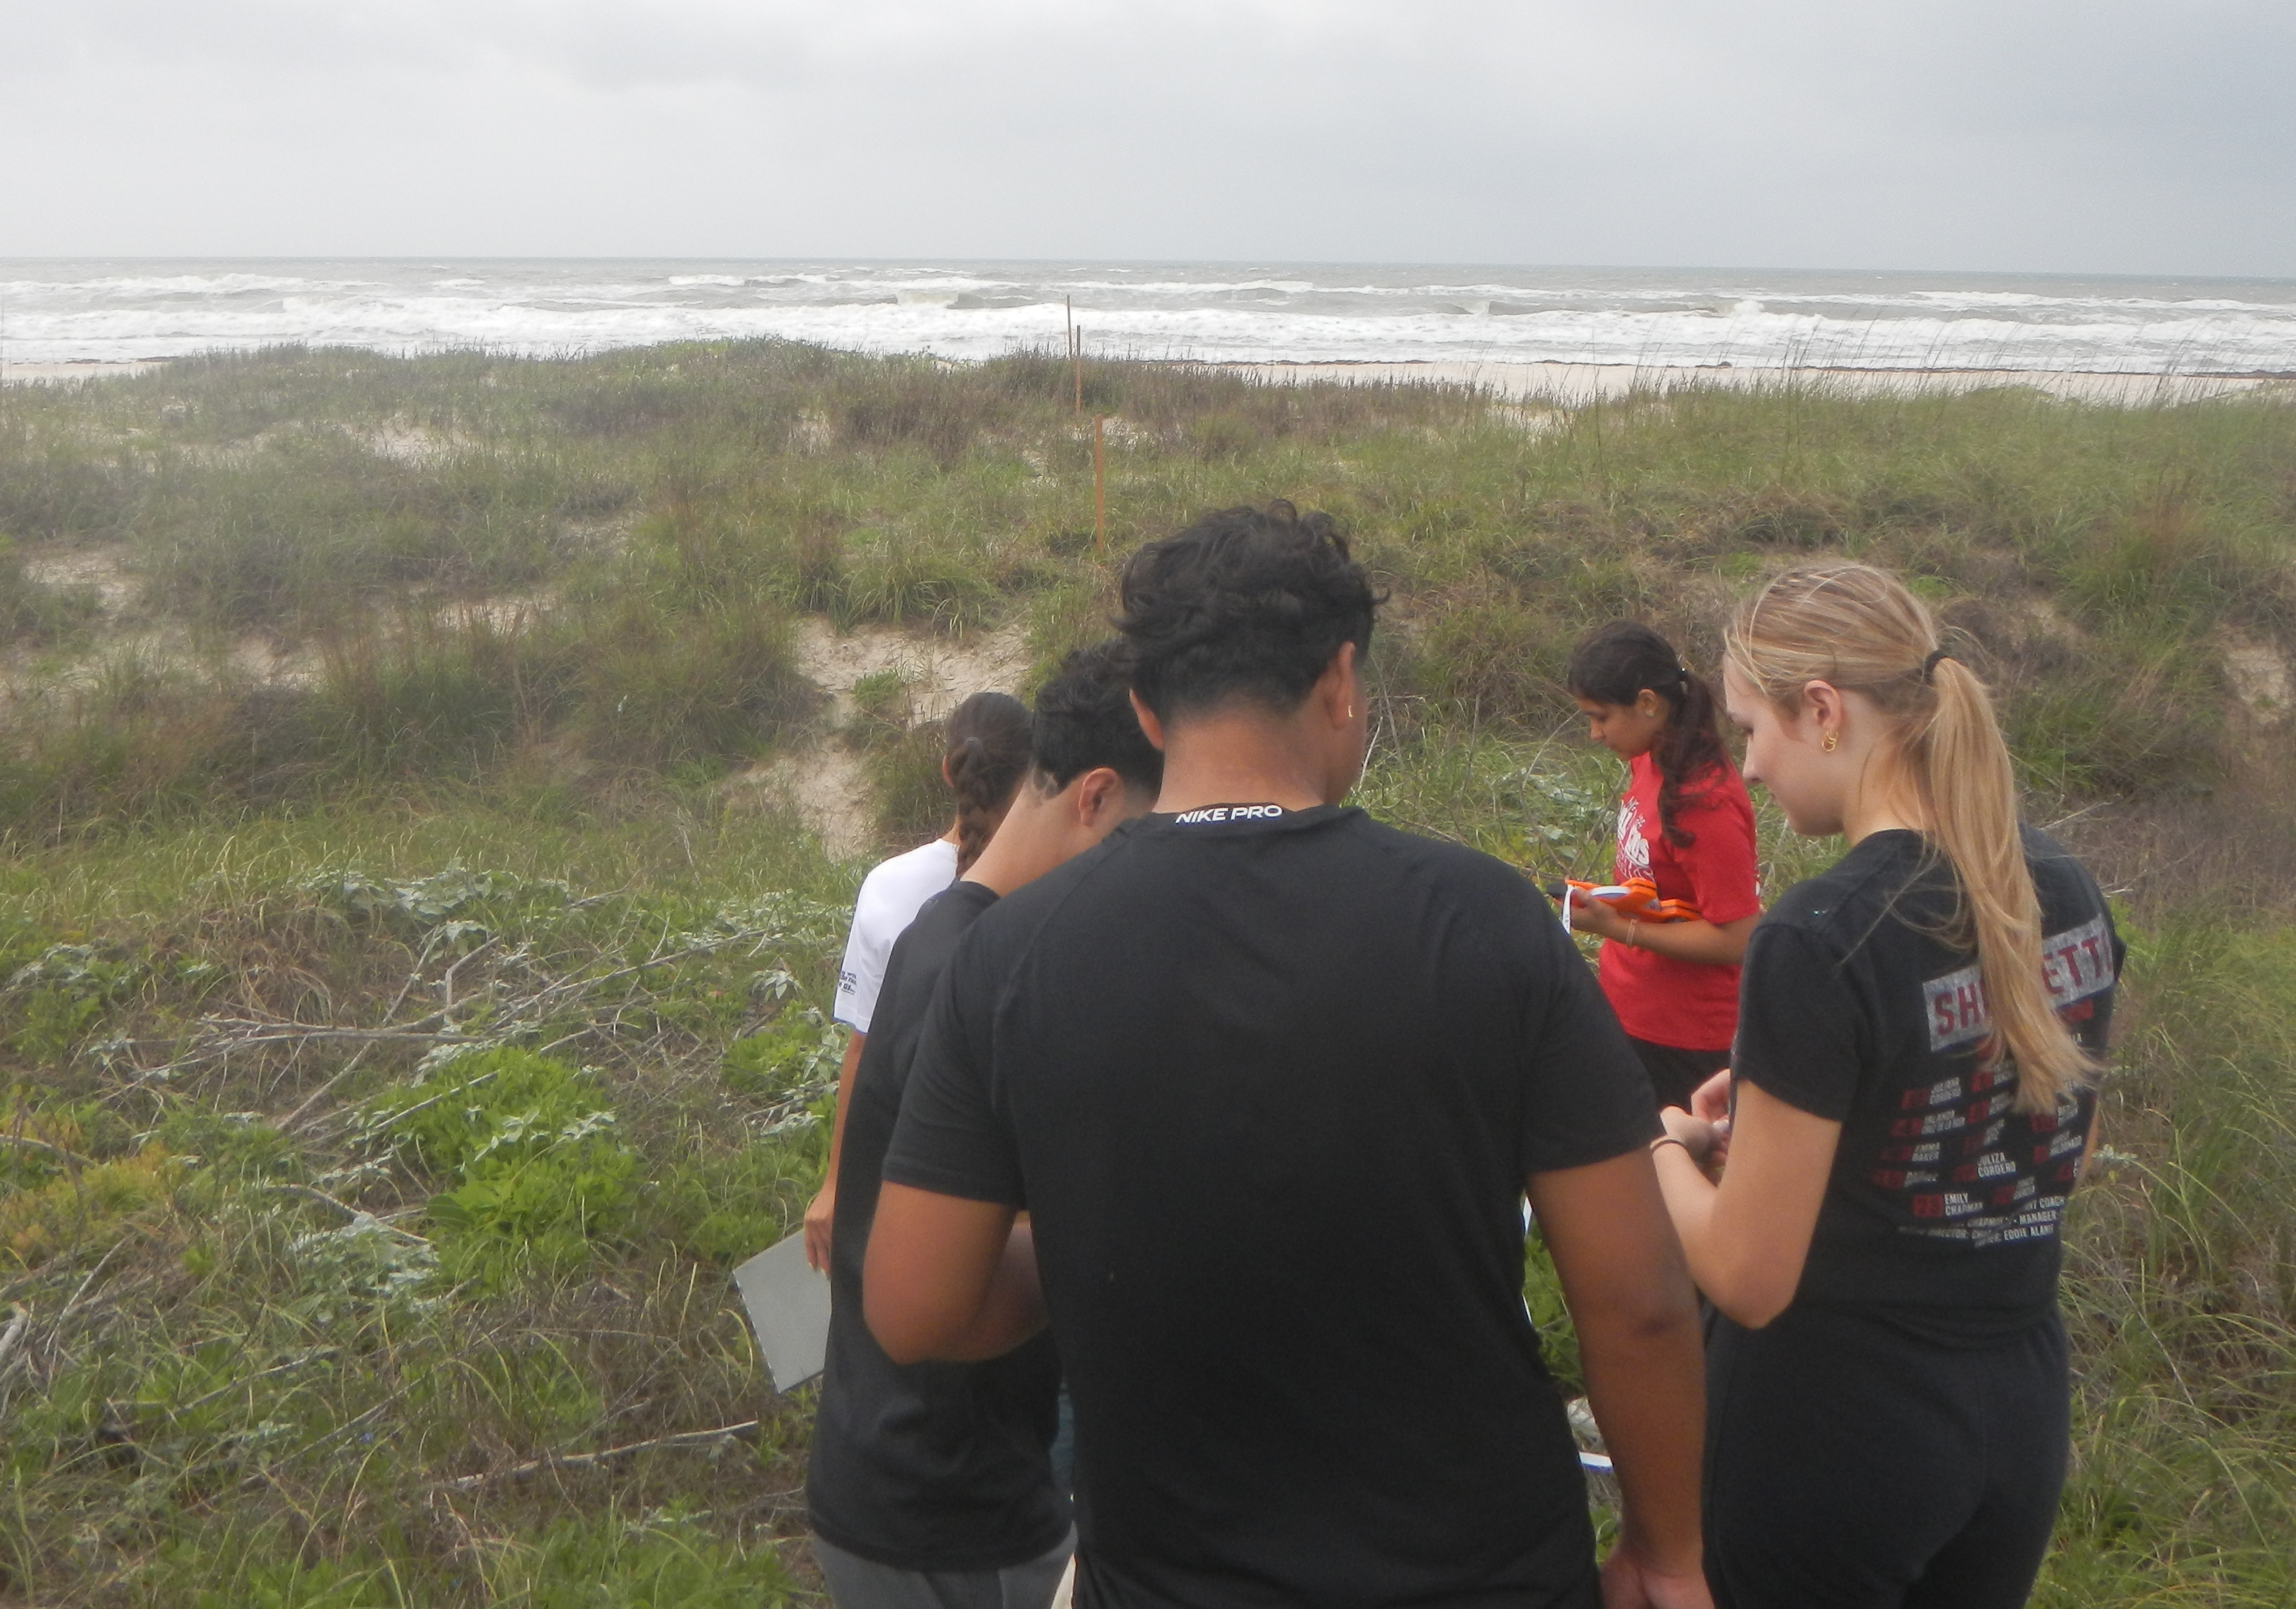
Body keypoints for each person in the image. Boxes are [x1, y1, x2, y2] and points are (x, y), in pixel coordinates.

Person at [866, 503, 1709, 1609]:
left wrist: (1101, 1241)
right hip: (1485, 1572)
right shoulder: (1484, 921)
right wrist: (1666, 1550)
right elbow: (1635, 1297)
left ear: (1143, 709)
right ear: (1340, 680)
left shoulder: (1011, 955)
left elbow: (916, 1306)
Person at [1647, 562, 2120, 1609]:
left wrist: (1666, 1153)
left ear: (1822, 712)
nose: (1753, 771)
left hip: (1837, 1424)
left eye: (1753, 730)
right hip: (2018, 1407)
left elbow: (1749, 1275)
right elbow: (2060, 1148)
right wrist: (1800, 1103)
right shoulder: (2058, 883)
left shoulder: (1822, 935)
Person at [807, 644, 1163, 1609]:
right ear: (1093, 799)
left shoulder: (947, 938)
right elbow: (941, 1278)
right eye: (1146, 835)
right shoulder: (988, 977)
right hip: (949, 1513)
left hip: (918, 1482)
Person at [807, 692, 1034, 1269]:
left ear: (947, 770)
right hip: (1022, 1173)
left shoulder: (890, 886)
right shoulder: (1052, 883)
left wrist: (837, 1184)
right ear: (1037, 775)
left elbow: (864, 1043)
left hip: (908, 1172)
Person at [1561, 621, 1763, 1110]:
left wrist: (1620, 929)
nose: (1594, 734)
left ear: (1648, 703)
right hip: (1629, 1008)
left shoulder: (1703, 803)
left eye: (1601, 717)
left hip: (1684, 1039)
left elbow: (1740, 938)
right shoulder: (1652, 757)